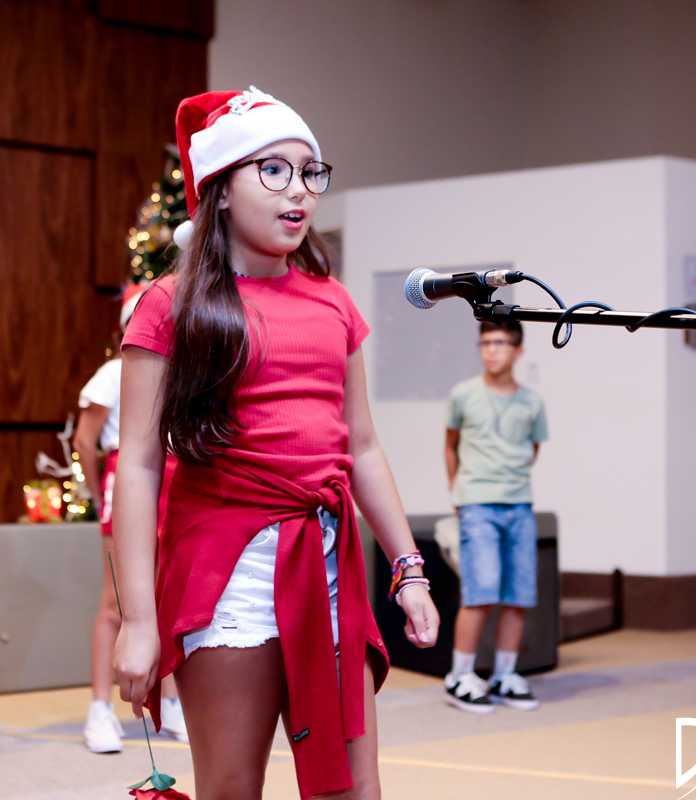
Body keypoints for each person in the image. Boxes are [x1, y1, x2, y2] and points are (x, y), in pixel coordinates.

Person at [112, 86, 440, 800]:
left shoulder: (333, 301)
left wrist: (408, 569)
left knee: (355, 790)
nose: (299, 191)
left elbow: (362, 447)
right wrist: (138, 621)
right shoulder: (170, 306)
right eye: (273, 170)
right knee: (231, 787)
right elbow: (136, 465)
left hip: (327, 566)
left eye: (310, 172)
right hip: (228, 576)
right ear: (221, 188)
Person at [72, 285, 187, 753]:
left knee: (169, 597)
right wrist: (99, 489)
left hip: (178, 478)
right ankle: (100, 708)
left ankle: (173, 702)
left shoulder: (184, 370)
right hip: (128, 475)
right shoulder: (112, 371)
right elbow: (85, 440)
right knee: (116, 601)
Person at [443, 319, 548, 713]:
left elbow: (533, 448)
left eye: (500, 343)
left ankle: (505, 674)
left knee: (519, 593)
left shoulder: (533, 402)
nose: (491, 350)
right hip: (477, 503)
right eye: (485, 343)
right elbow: (450, 445)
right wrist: (458, 491)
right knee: (481, 590)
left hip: (519, 504)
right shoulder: (463, 394)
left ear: (518, 350)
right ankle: (460, 676)